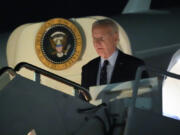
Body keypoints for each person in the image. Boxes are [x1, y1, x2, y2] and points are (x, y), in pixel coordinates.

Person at [81, 18, 149, 89]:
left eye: (101, 38)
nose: (97, 43)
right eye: (95, 39)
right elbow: (82, 99)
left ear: (115, 38)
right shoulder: (88, 69)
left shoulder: (135, 65)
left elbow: (145, 94)